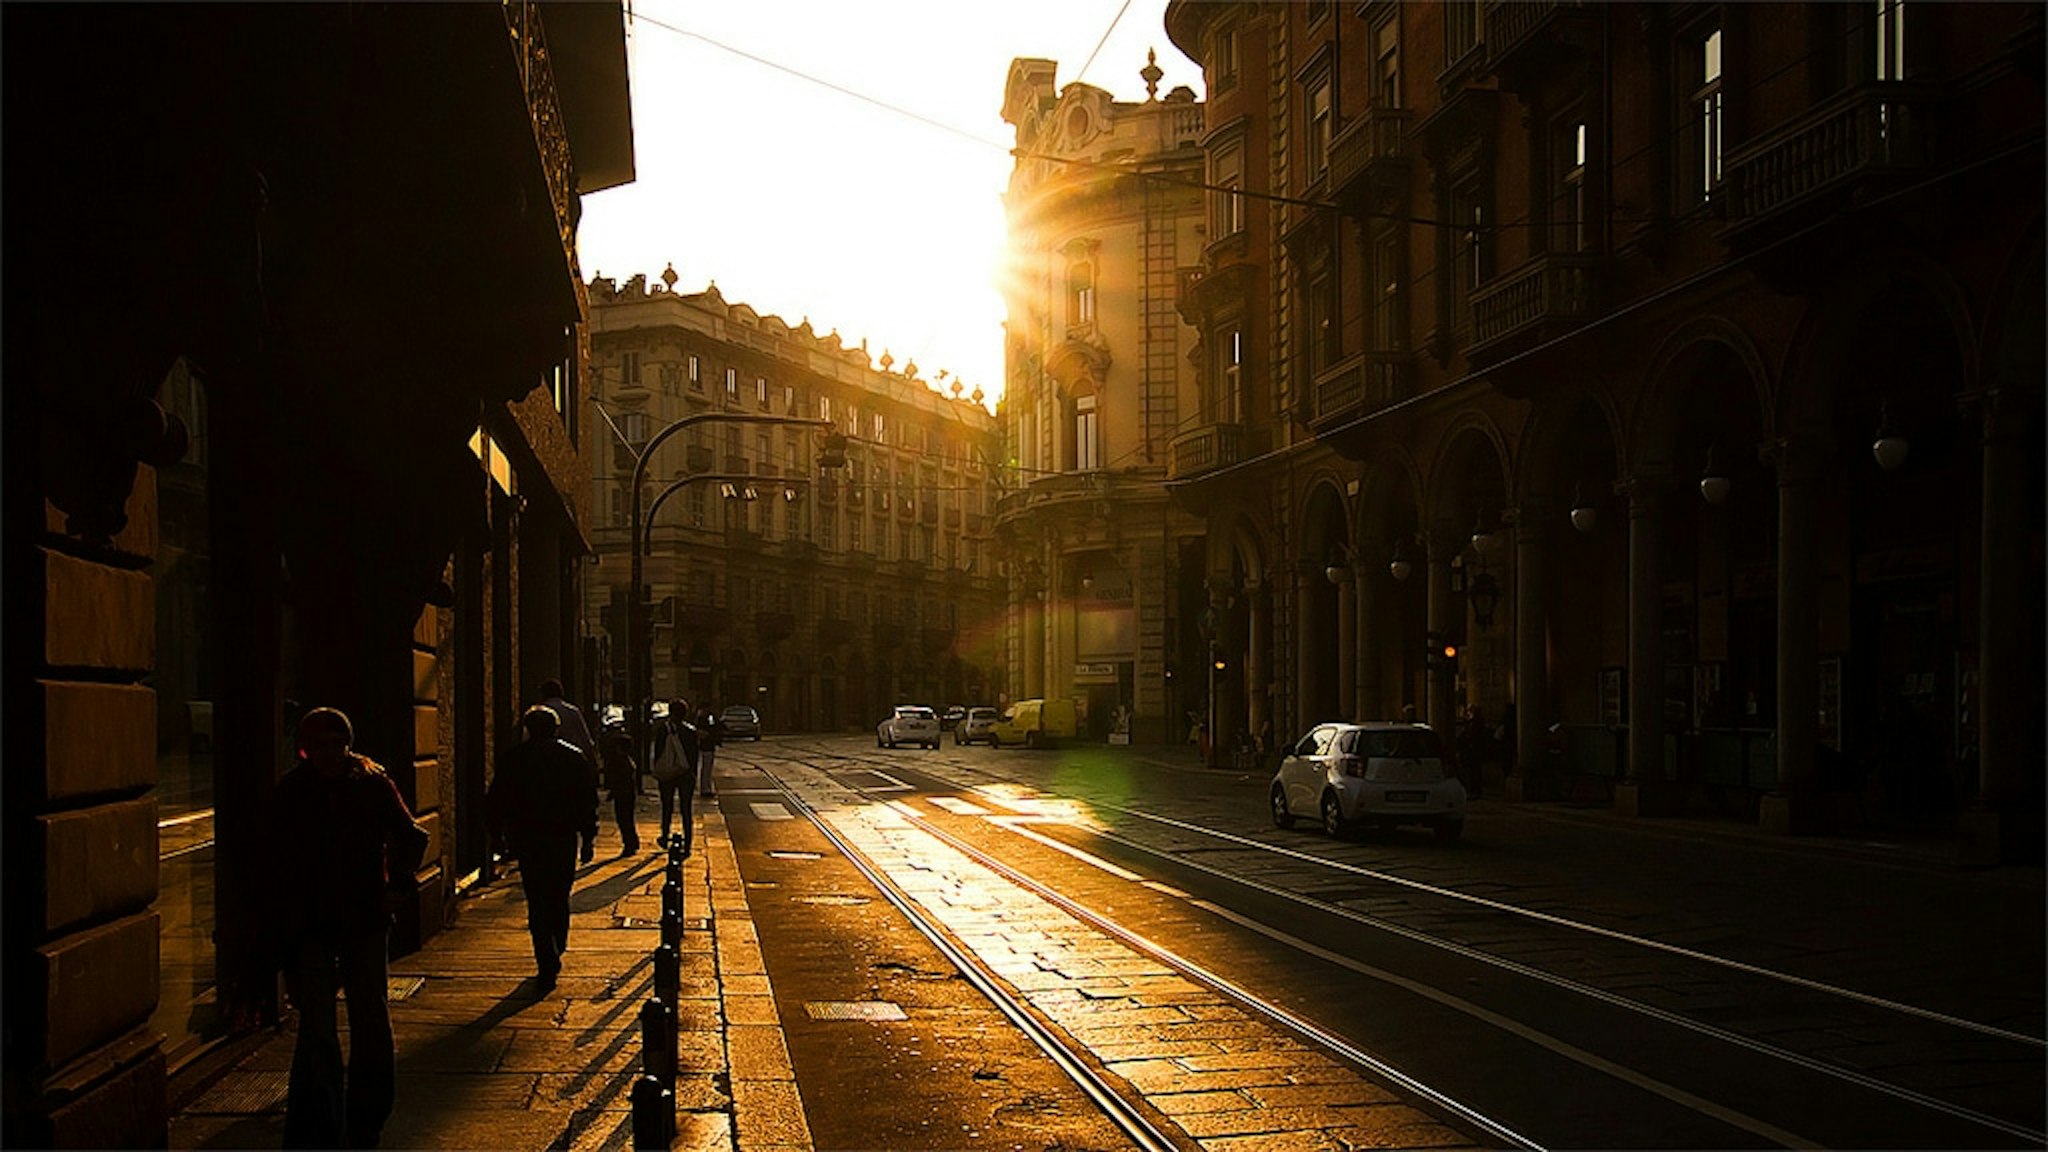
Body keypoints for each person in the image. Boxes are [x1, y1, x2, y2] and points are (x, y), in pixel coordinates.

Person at [266, 707, 430, 1150]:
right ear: (306, 749)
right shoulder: (293, 791)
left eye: (336, 744)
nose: (329, 753)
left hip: (362, 917)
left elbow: (413, 836)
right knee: (317, 1023)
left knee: (370, 1015)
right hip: (312, 922)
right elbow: (275, 858)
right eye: (320, 745)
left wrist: (397, 886)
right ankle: (319, 1120)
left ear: (348, 744)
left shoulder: (371, 785)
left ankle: (366, 1115)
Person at [488, 705, 600, 991]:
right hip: (562, 838)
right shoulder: (573, 758)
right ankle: (557, 946)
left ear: (528, 728)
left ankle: (546, 958)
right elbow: (587, 802)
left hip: (527, 838)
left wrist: (496, 836)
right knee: (559, 896)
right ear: (556, 728)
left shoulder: (514, 758)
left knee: (537, 899)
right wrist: (588, 838)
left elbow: (497, 799)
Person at [649, 698, 699, 853]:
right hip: (686, 774)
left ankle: (664, 836)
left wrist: (658, 768)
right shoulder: (691, 731)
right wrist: (693, 774)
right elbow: (694, 756)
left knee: (667, 806)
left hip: (668, 773)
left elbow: (658, 752)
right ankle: (688, 842)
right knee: (686, 808)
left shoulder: (663, 730)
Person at [539, 677, 599, 774]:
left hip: (543, 759)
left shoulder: (539, 711)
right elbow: (584, 738)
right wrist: (592, 760)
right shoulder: (572, 711)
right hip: (569, 759)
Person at [598, 730, 641, 856]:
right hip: (627, 794)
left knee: (624, 819)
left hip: (623, 794)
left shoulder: (621, 762)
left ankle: (630, 843)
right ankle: (631, 841)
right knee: (627, 819)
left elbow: (618, 780)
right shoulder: (627, 761)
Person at [696, 703, 723, 799]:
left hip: (707, 745)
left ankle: (706, 788)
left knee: (706, 768)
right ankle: (705, 789)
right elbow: (713, 729)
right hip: (707, 745)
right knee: (706, 768)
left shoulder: (702, 717)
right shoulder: (706, 718)